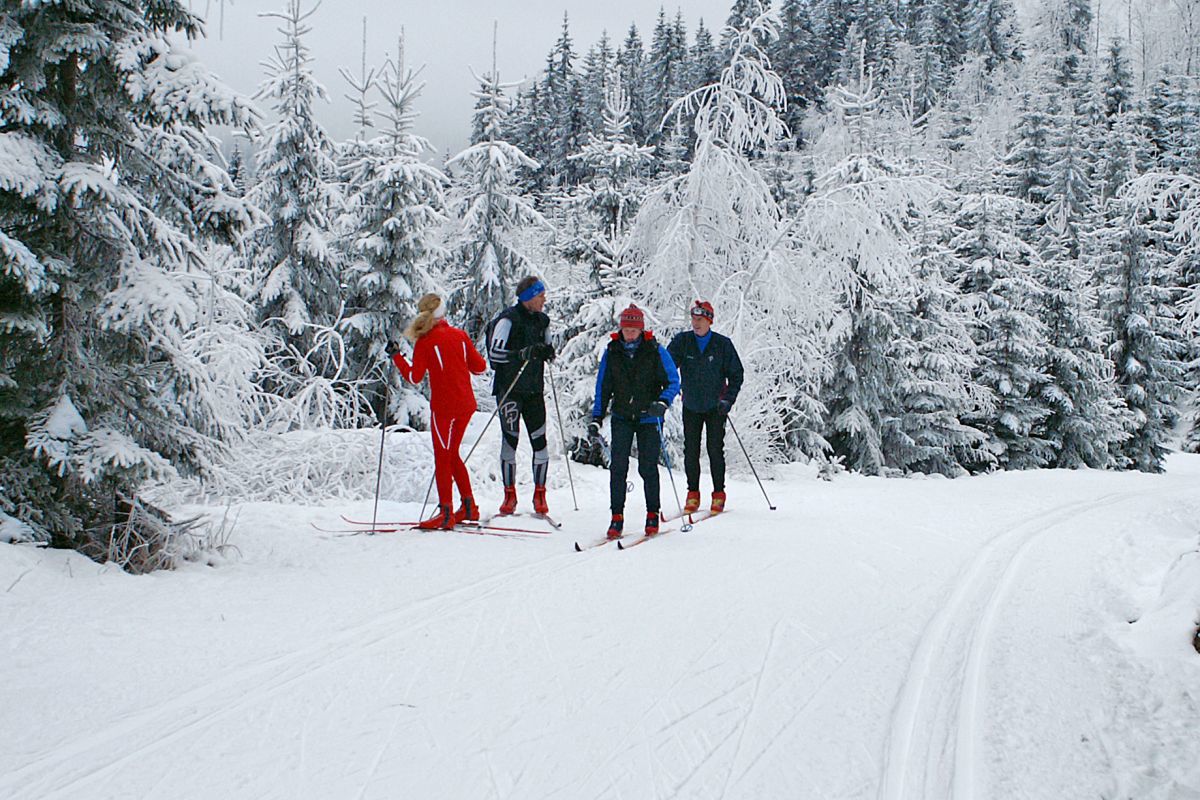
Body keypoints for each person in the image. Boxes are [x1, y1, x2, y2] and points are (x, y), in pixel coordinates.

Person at [389, 293, 488, 530]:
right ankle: (468, 507)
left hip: (444, 408)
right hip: (465, 405)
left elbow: (414, 377)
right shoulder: (460, 336)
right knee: (452, 454)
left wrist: (396, 358)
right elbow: (480, 367)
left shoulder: (426, 342)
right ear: (444, 313)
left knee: (443, 457)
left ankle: (445, 513)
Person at [589, 304, 680, 539]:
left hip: (648, 416)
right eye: (626, 328)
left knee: (647, 466)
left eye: (633, 329)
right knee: (618, 467)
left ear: (641, 330)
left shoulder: (655, 350)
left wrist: (662, 402)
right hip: (621, 416)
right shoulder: (612, 351)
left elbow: (673, 381)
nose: (629, 333)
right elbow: (603, 386)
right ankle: (616, 517)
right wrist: (597, 417)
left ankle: (652, 513)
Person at [486, 275, 556, 515]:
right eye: (540, 295)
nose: (543, 299)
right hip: (510, 389)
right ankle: (509, 495)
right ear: (528, 298)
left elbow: (546, 348)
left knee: (540, 441)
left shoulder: (543, 321)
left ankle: (540, 494)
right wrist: (522, 354)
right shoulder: (508, 320)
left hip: (534, 390)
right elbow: (495, 354)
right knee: (510, 440)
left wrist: (547, 352)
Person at [667, 300, 744, 515]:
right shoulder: (683, 341)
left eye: (700, 320)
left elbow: (736, 374)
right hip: (691, 404)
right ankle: (693, 493)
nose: (696, 324)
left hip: (715, 407)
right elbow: (667, 365)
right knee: (690, 450)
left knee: (714, 449)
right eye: (693, 319)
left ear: (709, 321)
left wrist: (728, 399)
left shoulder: (722, 344)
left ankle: (718, 493)